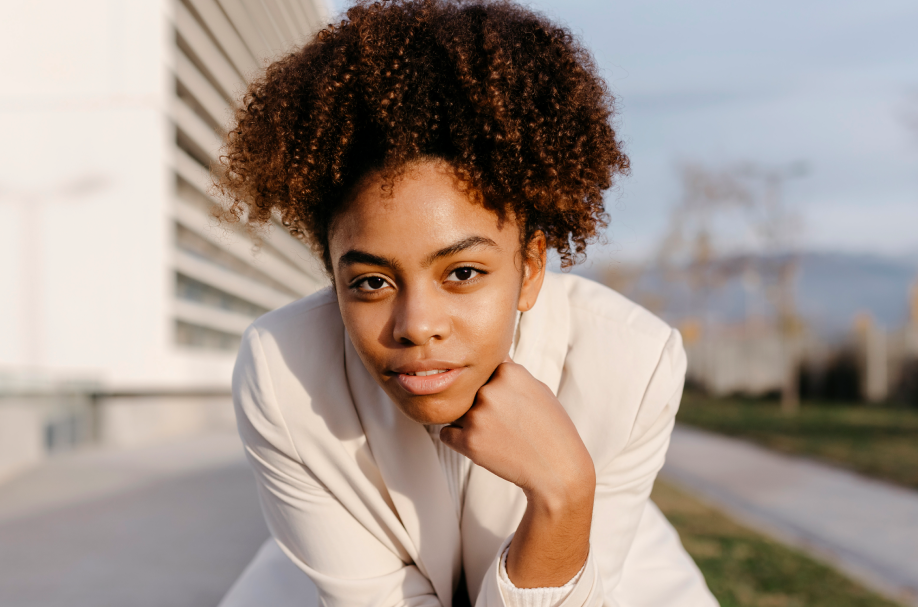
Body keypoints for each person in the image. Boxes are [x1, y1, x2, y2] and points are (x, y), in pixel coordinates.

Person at [213, 1, 717, 605]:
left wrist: (564, 497)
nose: (417, 326)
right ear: (331, 275)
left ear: (530, 266)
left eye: (464, 272)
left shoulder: (631, 364)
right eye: (372, 282)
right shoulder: (280, 372)